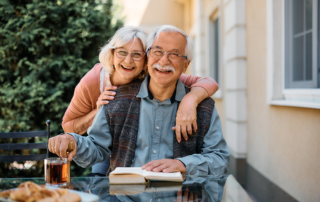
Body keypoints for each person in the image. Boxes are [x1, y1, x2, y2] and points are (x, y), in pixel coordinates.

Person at [50, 25, 229, 176]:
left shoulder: (203, 107)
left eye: (174, 55)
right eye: (157, 51)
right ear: (149, 57)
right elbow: (97, 147)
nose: (163, 60)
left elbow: (220, 159)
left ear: (186, 65)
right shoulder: (114, 98)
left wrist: (185, 165)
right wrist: (73, 140)